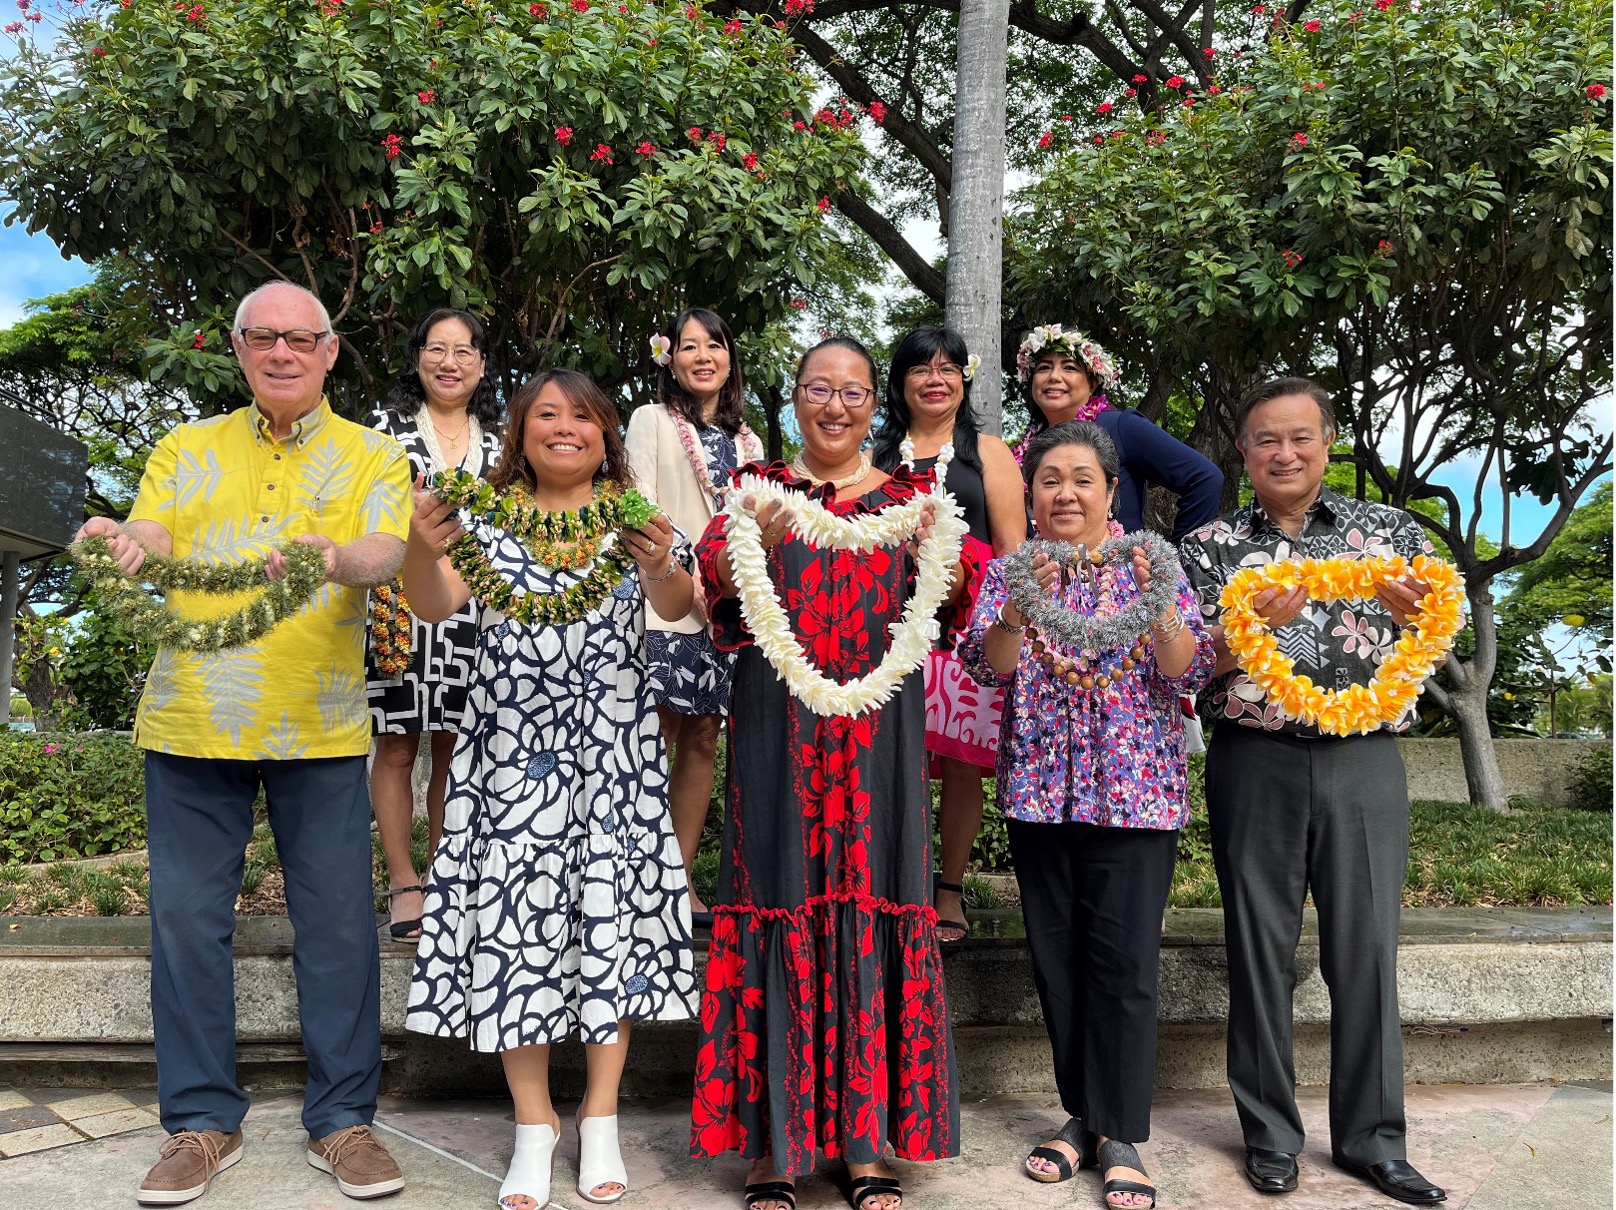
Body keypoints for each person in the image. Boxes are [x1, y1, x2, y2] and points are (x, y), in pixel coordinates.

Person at [76, 282, 412, 1204]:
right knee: (186, 922)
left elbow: (387, 550)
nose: (281, 352)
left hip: (322, 720)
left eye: (300, 338)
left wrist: (339, 558)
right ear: (237, 348)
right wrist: (128, 543)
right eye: (262, 337)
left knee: (340, 927)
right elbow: (152, 525)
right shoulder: (186, 447)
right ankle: (198, 1123)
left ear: (330, 352)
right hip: (192, 717)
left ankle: (345, 1123)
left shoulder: (374, 453)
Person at [402, 368, 698, 1209]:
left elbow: (681, 607)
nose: (563, 428)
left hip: (613, 760)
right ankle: (536, 1125)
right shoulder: (485, 519)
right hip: (509, 766)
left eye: (581, 416)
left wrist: (661, 564)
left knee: (614, 932)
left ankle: (600, 1114)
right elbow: (432, 605)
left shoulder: (631, 518)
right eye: (545, 415)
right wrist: (426, 546)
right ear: (519, 431)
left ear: (606, 434)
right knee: (511, 937)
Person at [690, 337, 965, 1210]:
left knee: (872, 892)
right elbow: (717, 610)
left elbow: (956, 609)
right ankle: (775, 1143)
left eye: (853, 392)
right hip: (780, 734)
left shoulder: (917, 501)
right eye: (820, 389)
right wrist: (749, 548)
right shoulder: (752, 495)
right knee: (777, 891)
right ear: (795, 398)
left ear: (874, 403)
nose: (836, 406)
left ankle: (862, 1140)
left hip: (880, 739)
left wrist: (942, 553)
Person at [1179, 377, 1448, 1206]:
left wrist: (1412, 614)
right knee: (1259, 950)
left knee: (1366, 952)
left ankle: (1375, 1141)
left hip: (1364, 759)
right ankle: (1270, 1138)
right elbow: (1183, 668)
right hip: (1253, 758)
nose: (1284, 453)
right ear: (1244, 452)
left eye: (1300, 437)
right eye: (1266, 440)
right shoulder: (1211, 547)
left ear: (1328, 442)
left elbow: (1437, 635)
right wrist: (1237, 632)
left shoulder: (1391, 535)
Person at [959, 420, 1214, 1209]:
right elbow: (987, 665)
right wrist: (1016, 610)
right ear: (1029, 494)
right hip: (1041, 793)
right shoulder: (1011, 572)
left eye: (1082, 480)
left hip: (1135, 798)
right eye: (1049, 480)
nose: (1064, 493)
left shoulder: (1153, 565)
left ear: (1111, 492)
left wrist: (1157, 598)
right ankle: (1081, 1117)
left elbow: (1187, 670)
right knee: (1059, 965)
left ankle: (1123, 1132)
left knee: (1126, 969)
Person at [872, 326, 1025, 941]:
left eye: (948, 367)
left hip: (965, 629)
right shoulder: (875, 454)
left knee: (962, 763)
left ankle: (949, 890)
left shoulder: (987, 451)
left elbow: (1015, 551)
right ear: (900, 382)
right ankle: (891, 885)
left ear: (965, 377)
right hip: (886, 626)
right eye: (920, 369)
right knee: (890, 756)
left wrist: (966, 576)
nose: (935, 379)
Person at [365, 308, 503, 942]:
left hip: (481, 608)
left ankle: (445, 878)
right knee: (396, 746)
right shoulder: (383, 429)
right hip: (400, 602)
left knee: (455, 746)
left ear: (481, 362)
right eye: (438, 349)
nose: (450, 363)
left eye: (464, 351)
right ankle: (403, 882)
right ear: (417, 355)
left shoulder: (502, 435)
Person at [625, 308, 764, 927]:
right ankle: (635, 872)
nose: (702, 356)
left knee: (705, 735)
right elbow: (640, 506)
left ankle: (679, 880)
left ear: (730, 358)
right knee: (655, 734)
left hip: (724, 609)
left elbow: (750, 525)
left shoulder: (748, 441)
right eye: (688, 346)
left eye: (714, 344)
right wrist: (692, 575)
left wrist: (732, 585)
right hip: (665, 599)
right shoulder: (650, 420)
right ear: (670, 359)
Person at [1014, 324, 1223, 541]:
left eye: (1069, 368)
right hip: (1047, 571)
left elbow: (1205, 478)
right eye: (1043, 368)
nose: (1054, 377)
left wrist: (1181, 557)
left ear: (1092, 382)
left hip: (1121, 570)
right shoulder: (1026, 448)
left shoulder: (1120, 426)